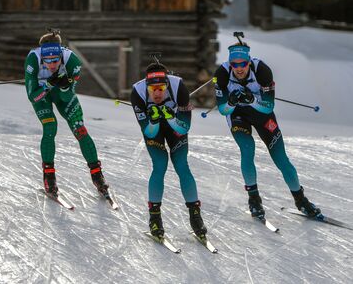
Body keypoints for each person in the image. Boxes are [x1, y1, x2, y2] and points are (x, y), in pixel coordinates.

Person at [213, 41, 321, 218]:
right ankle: (254, 200)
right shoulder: (222, 74)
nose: (239, 69)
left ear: (249, 61)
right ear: (230, 64)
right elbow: (223, 110)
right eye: (235, 65)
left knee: (281, 158)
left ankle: (301, 200)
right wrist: (231, 102)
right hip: (237, 115)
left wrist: (251, 100)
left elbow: (269, 106)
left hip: (261, 113)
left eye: (243, 64)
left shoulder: (262, 70)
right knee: (247, 150)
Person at [24, 31, 109, 196]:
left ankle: (97, 174)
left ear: (61, 55)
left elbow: (67, 96)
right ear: (42, 57)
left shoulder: (72, 60)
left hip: (62, 95)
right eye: (47, 61)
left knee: (80, 130)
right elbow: (33, 97)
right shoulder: (33, 60)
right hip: (43, 97)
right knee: (50, 127)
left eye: (56, 60)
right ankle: (49, 177)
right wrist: (48, 85)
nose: (52, 65)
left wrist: (64, 86)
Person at [130, 62, 207, 239]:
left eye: (161, 88)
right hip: (154, 130)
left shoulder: (179, 86)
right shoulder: (138, 92)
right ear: (146, 86)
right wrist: (155, 121)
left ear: (167, 84)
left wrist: (171, 117)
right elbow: (149, 132)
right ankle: (155, 218)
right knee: (160, 165)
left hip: (175, 129)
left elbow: (184, 127)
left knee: (181, 165)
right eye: (153, 89)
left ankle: (195, 216)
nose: (157, 93)